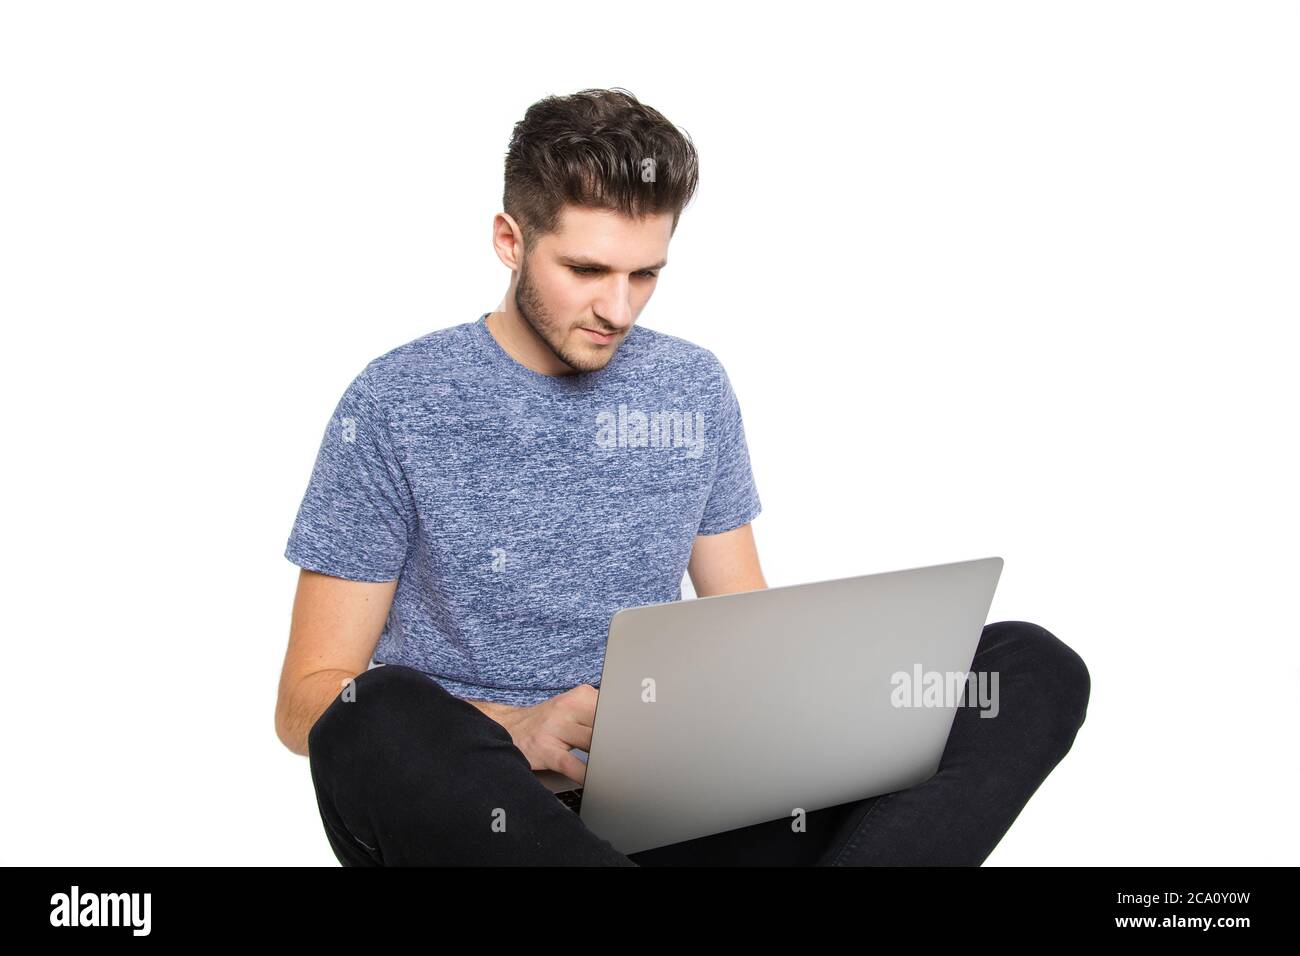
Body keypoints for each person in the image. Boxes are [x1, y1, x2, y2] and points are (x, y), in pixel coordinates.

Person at [274, 87, 1090, 866]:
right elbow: (308, 697)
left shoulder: (692, 388)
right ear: (509, 240)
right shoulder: (397, 399)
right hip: (483, 817)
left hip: (683, 812)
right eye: (588, 271)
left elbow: (743, 625)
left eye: (646, 275)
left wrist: (822, 718)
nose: (619, 310)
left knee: (1026, 667)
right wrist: (511, 729)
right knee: (376, 712)